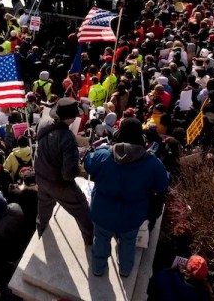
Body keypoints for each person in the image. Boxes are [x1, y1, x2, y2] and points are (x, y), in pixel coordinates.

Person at [84, 117, 170, 277]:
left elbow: (88, 165)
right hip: (132, 216)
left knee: (100, 240)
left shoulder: (103, 155)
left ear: (120, 133)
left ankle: (98, 269)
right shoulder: (152, 163)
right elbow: (163, 184)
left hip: (102, 213)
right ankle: (125, 270)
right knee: (128, 243)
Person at [34, 97, 93, 245]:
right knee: (81, 207)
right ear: (72, 119)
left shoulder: (44, 124)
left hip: (41, 176)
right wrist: (80, 168)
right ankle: (90, 238)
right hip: (59, 183)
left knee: (44, 207)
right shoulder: (67, 138)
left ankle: (41, 230)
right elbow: (68, 174)